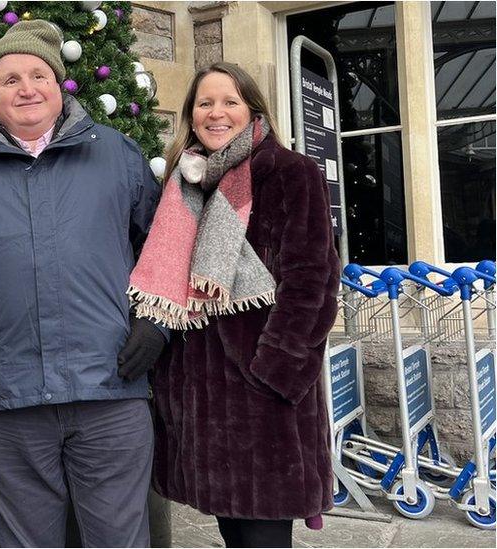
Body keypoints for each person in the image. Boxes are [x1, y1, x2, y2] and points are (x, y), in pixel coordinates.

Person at [0, 20, 165, 548]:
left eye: (38, 75)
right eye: (10, 79)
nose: (26, 88)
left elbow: (164, 249)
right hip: (7, 401)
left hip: (110, 393)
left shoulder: (118, 156)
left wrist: (157, 325)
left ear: (59, 84)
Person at [130, 62, 341, 548]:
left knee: (263, 537)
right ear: (191, 114)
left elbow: (313, 282)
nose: (216, 113)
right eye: (205, 103)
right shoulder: (185, 181)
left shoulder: (290, 172)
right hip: (202, 400)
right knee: (232, 532)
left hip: (263, 398)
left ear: (253, 110)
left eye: (230, 101)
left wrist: (275, 372)